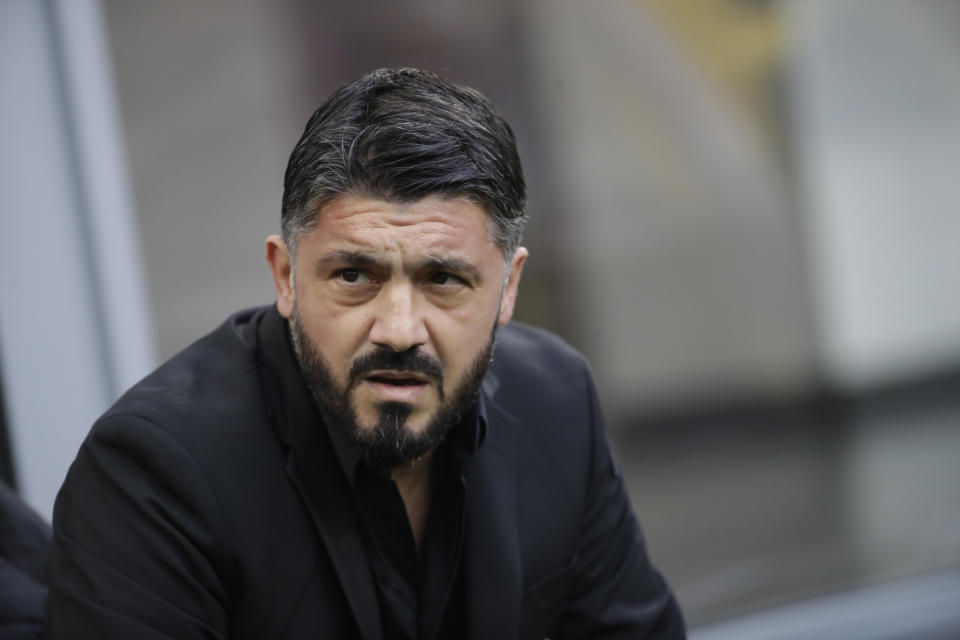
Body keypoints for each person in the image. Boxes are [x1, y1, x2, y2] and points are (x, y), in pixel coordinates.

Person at [47, 68, 685, 639]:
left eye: (443, 279)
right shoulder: (153, 473)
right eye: (354, 275)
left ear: (508, 287)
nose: (400, 329)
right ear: (285, 276)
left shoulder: (555, 399)